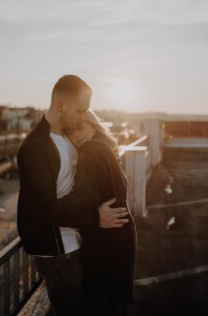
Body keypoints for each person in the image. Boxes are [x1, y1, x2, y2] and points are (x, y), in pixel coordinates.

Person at [17, 75, 129, 316]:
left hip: (76, 242)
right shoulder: (34, 148)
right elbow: (43, 209)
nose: (83, 117)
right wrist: (95, 218)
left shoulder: (69, 137)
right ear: (60, 106)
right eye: (80, 111)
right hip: (58, 252)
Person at [68, 110, 137, 316]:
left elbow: (84, 199)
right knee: (115, 304)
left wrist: (53, 206)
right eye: (70, 132)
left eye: (79, 127)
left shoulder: (90, 149)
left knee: (101, 303)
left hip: (106, 242)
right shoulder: (104, 147)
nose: (76, 135)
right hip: (120, 236)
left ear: (93, 124)